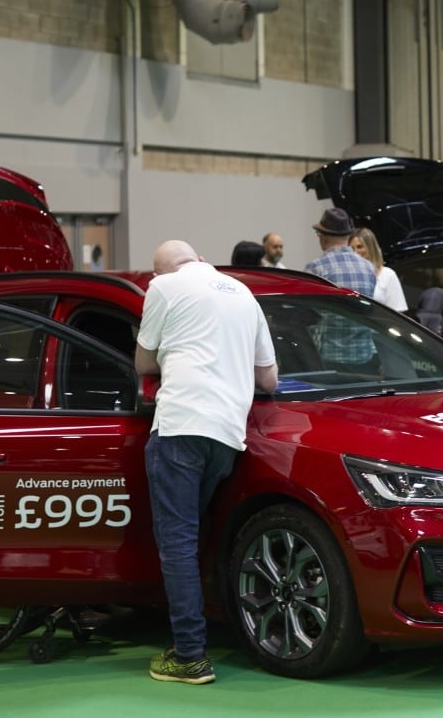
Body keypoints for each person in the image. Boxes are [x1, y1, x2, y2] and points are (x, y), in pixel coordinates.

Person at [135, 240, 278, 685]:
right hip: (228, 435)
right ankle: (198, 635)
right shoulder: (244, 293)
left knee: (176, 543)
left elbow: (143, 361)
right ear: (199, 259)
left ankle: (189, 655)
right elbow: (269, 378)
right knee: (194, 538)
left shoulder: (164, 288)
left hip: (180, 425)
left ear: (161, 272)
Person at [304, 209, 379, 371]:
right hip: (364, 357)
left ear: (322, 237)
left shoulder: (316, 268)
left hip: (329, 358)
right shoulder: (368, 267)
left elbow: (307, 315)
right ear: (348, 237)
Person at [349, 227, 408, 311]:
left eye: (360, 247)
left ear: (371, 247)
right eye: (352, 249)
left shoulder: (388, 275)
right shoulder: (349, 275)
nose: (355, 252)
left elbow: (398, 311)